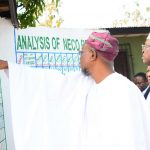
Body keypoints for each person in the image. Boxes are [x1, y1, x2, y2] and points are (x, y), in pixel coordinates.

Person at [0, 31, 150, 150]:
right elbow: (50, 83)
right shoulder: (85, 84)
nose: (79, 58)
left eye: (81, 53)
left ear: (92, 54)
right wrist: (10, 67)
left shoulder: (124, 92)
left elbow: (133, 142)